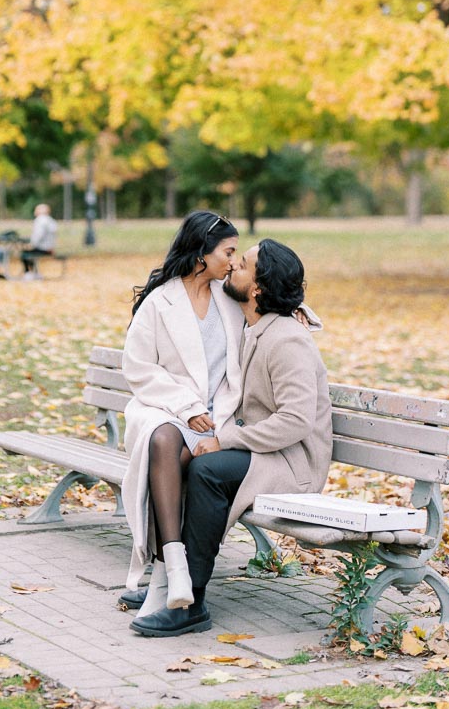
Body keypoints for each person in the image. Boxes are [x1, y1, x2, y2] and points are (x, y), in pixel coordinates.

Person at [130, 238, 333, 638]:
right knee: (177, 457)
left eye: (242, 266)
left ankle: (193, 601)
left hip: (293, 463)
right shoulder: (254, 323)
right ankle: (171, 581)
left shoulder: (287, 338)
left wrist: (225, 440)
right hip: (267, 452)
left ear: (256, 288)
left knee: (207, 469)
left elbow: (295, 421)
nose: (231, 269)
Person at [120, 211, 244, 620]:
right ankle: (175, 569)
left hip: (216, 418)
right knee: (163, 442)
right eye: (228, 252)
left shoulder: (230, 298)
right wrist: (186, 408)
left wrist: (300, 313)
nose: (233, 260)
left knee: (175, 466)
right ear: (201, 255)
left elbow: (276, 293)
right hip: (164, 408)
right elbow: (139, 368)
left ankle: (165, 575)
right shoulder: (161, 301)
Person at [21, 203, 58, 275]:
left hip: (43, 248)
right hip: (50, 248)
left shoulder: (40, 220)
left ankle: (29, 273)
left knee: (25, 254)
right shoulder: (51, 220)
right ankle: (35, 272)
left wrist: (31, 244)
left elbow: (38, 235)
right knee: (29, 253)